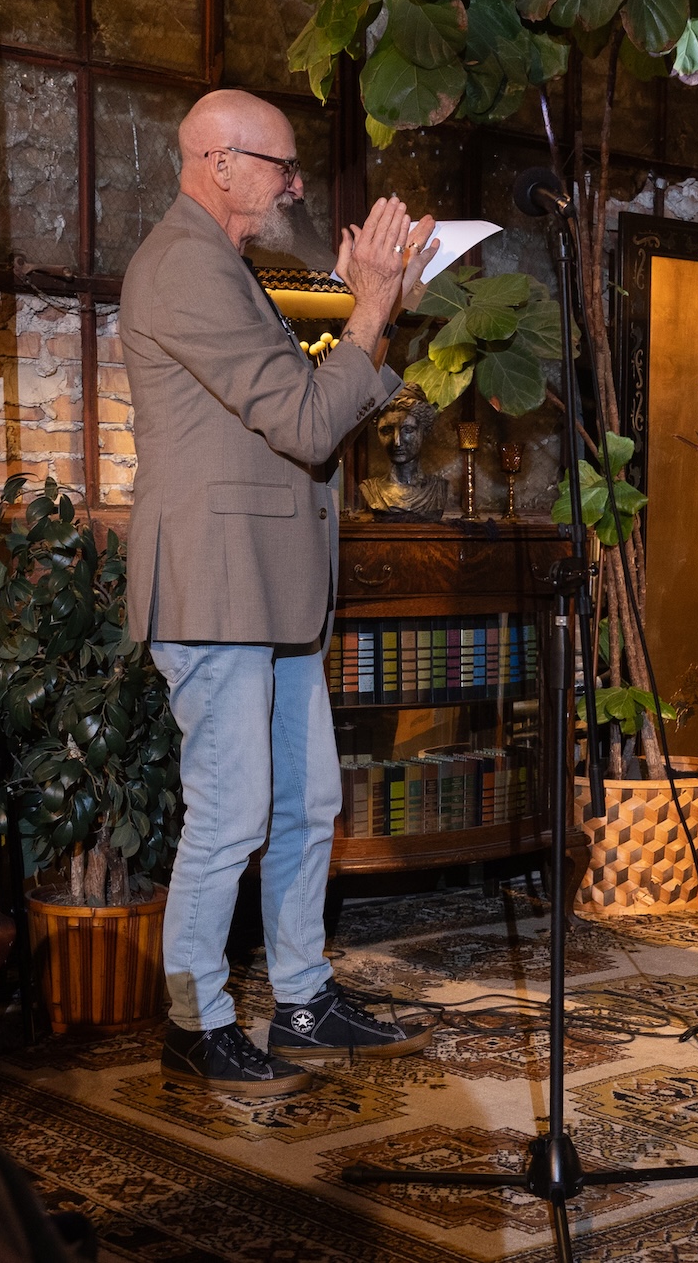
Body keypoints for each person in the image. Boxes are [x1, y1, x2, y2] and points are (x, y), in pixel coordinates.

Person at [122, 89, 440, 1095]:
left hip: (271, 586)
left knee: (306, 804)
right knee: (229, 815)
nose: (294, 184)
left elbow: (301, 398)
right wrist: (375, 308)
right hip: (217, 588)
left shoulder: (230, 269)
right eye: (280, 165)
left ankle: (300, 997)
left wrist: (363, 306)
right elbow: (307, 423)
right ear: (217, 160)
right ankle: (196, 1016)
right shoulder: (183, 266)